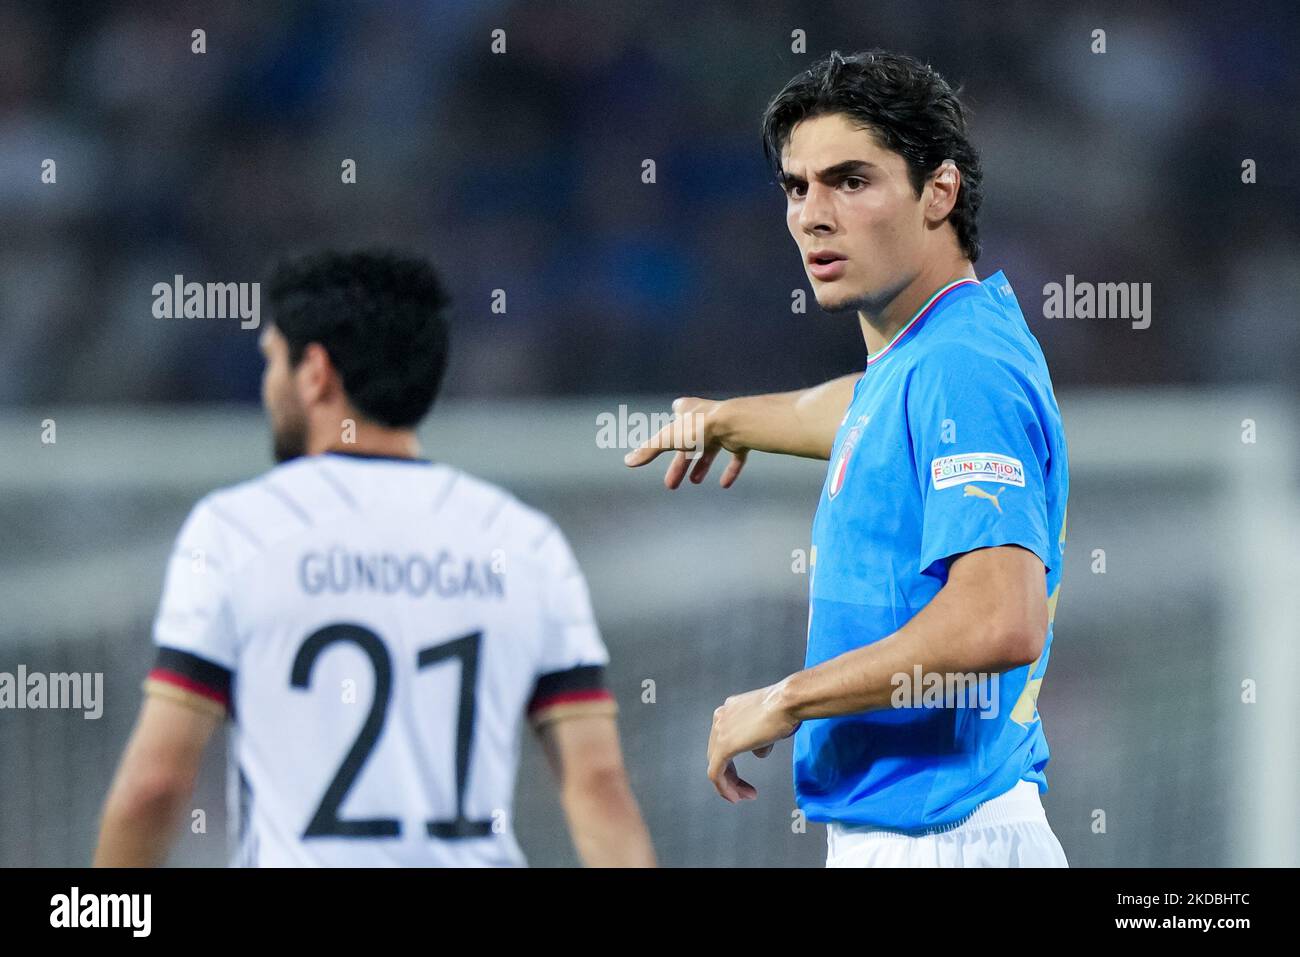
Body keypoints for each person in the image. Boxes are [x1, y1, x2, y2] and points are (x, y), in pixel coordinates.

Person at [626, 50, 1069, 867]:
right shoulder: (931, 354)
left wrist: (789, 698)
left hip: (945, 836)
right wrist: (734, 420)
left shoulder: (959, 367)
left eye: (850, 181)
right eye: (798, 187)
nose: (812, 215)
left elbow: (1001, 617)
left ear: (940, 192)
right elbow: (864, 412)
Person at [96, 250, 655, 867]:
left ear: (314, 372)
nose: (268, 385)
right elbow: (597, 784)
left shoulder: (237, 530)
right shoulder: (523, 541)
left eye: (273, 361)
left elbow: (155, 787)